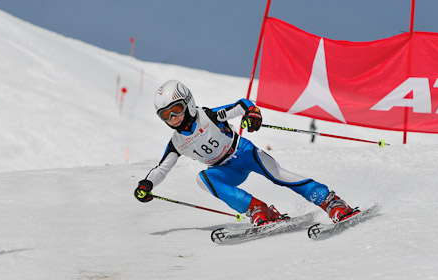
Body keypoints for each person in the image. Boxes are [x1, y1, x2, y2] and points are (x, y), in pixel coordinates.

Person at [133, 80, 359, 226]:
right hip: (224, 171)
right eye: (166, 116)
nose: (173, 118)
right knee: (203, 179)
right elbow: (162, 168)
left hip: (244, 153)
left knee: (278, 175)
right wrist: (146, 184)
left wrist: (252, 113)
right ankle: (259, 210)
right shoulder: (176, 142)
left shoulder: (209, 116)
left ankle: (331, 202)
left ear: (189, 104)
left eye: (176, 110)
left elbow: (242, 105)